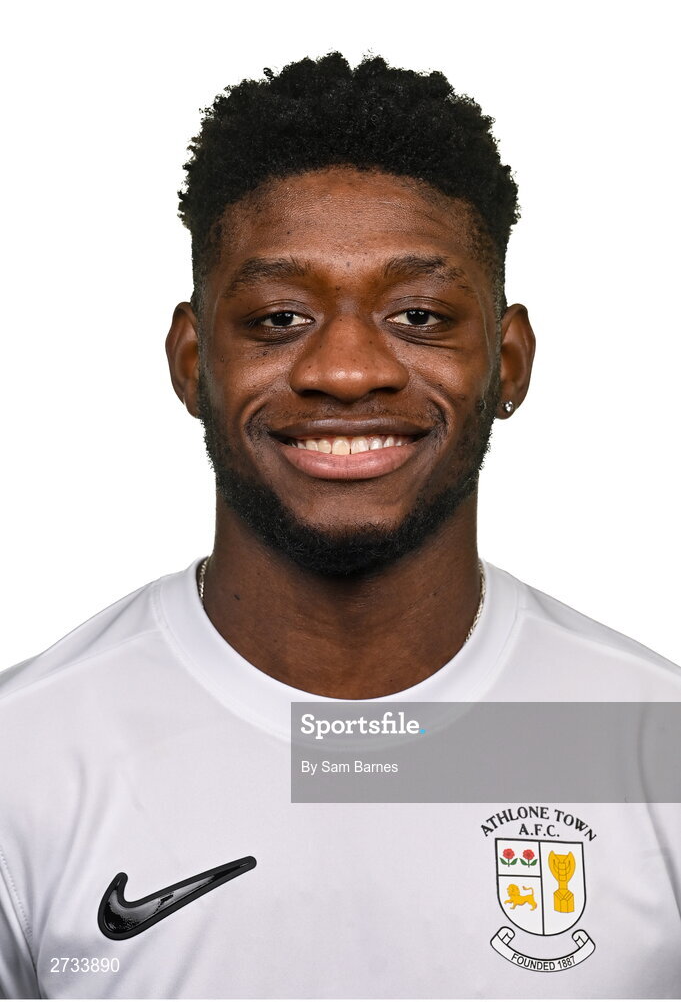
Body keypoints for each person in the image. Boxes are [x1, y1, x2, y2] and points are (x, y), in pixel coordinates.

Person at [0, 53, 679, 1000]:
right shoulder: (23, 754)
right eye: (279, 316)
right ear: (193, 363)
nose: (349, 369)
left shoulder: (653, 742)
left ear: (509, 362)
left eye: (417, 314)